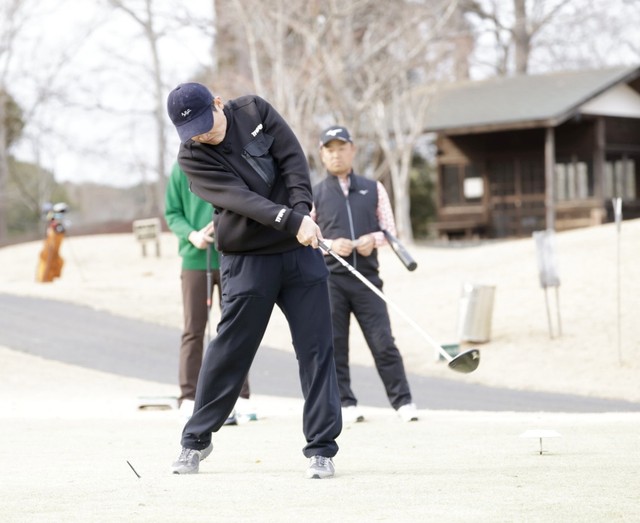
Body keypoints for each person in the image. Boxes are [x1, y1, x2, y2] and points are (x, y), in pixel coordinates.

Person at [166, 82, 342, 478]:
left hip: (299, 252)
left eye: (203, 124)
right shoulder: (192, 155)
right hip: (247, 258)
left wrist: (303, 211)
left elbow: (292, 159)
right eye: (190, 131)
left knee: (317, 348)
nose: (200, 135)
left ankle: (321, 448)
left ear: (217, 103)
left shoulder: (253, 111)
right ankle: (195, 440)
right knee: (230, 349)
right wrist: (291, 220)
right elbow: (240, 199)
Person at [311, 125, 418, 424]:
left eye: (341, 148)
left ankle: (403, 401)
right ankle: (346, 403)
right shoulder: (314, 193)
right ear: (322, 155)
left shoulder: (374, 188)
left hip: (368, 279)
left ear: (353, 150)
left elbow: (389, 232)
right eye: (330, 150)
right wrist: (330, 245)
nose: (336, 155)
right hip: (331, 280)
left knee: (383, 341)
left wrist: (372, 239)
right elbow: (307, 236)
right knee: (335, 344)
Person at [164, 162, 253, 425]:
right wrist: (191, 235)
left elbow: (243, 201)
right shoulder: (180, 168)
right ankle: (189, 397)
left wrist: (221, 223)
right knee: (194, 329)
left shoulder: (229, 163)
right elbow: (172, 213)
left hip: (232, 256)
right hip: (195, 259)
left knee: (237, 328)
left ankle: (240, 396)